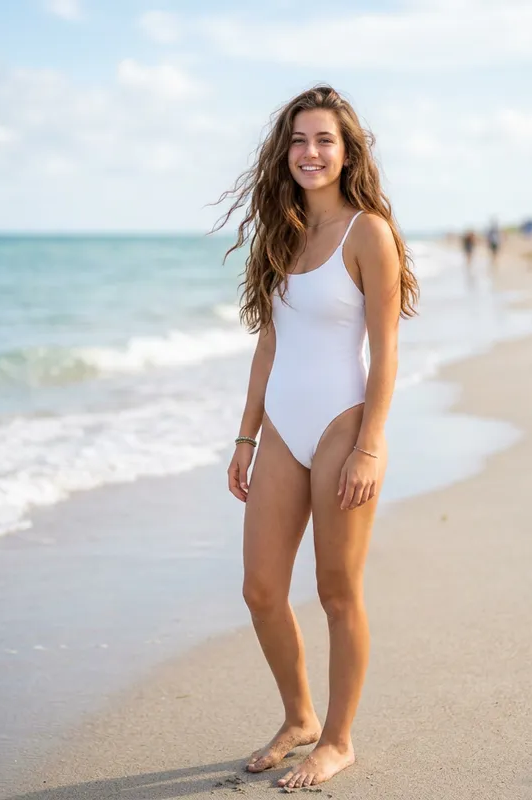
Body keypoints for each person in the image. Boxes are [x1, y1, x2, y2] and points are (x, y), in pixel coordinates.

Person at [212, 85, 418, 789]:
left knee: (337, 591)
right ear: (285, 152)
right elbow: (269, 344)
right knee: (262, 590)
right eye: (299, 140)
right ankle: (299, 716)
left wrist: (369, 443)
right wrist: (244, 438)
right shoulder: (282, 233)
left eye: (324, 139)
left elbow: (387, 353)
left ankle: (338, 739)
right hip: (279, 428)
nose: (310, 152)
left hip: (343, 426)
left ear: (347, 149)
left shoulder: (369, 233)